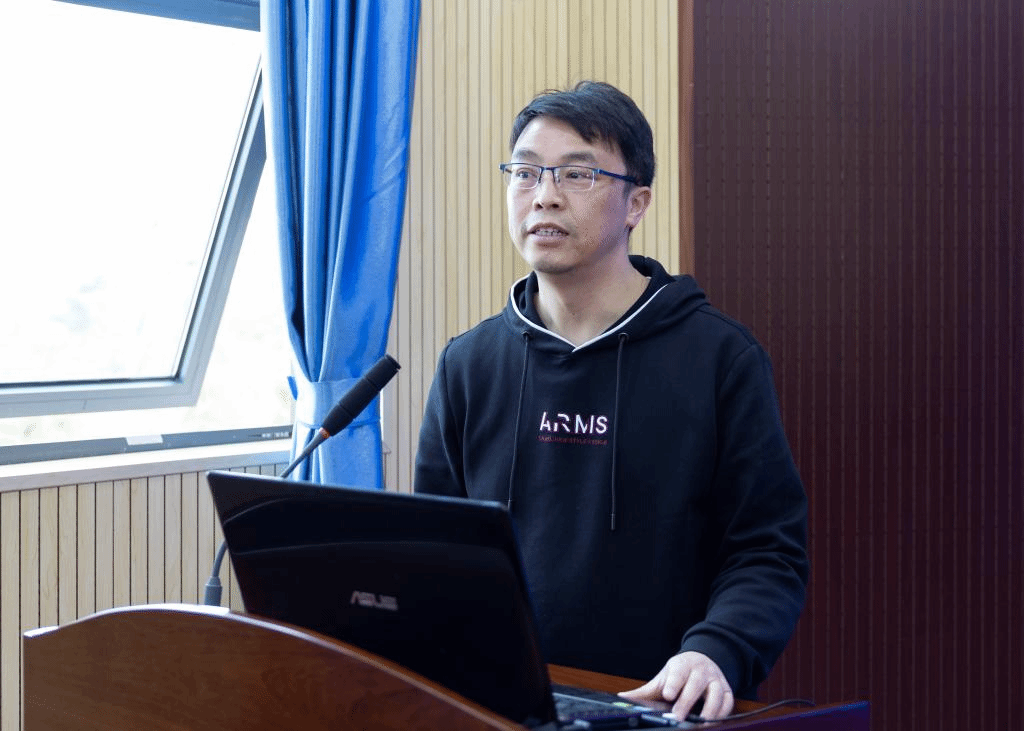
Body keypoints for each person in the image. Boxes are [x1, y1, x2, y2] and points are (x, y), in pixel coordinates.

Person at [414, 80, 809, 722]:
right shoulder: (469, 363)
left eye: (577, 174)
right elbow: (437, 551)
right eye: (525, 173)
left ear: (636, 204)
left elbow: (767, 550)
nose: (544, 195)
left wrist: (716, 650)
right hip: (502, 702)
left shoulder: (720, 358)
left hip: (658, 704)